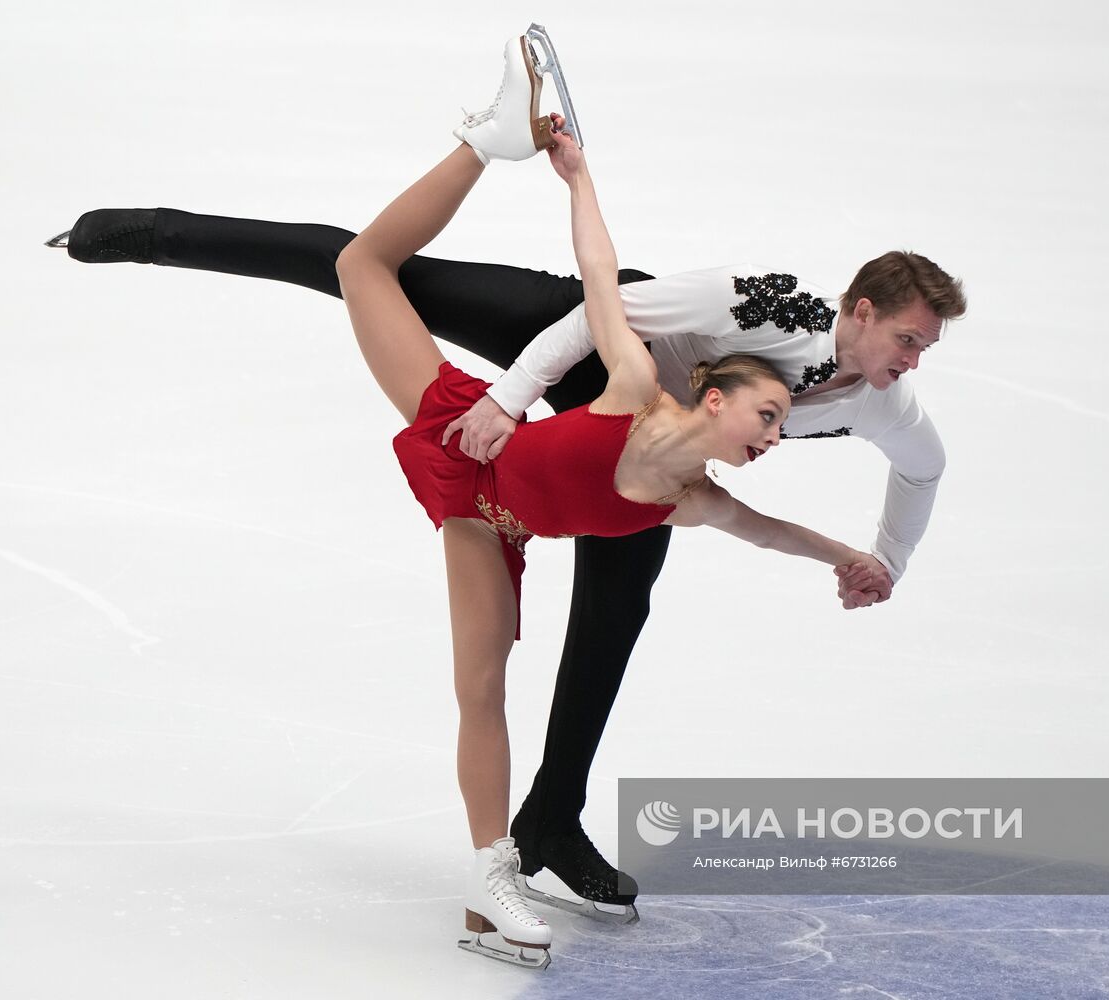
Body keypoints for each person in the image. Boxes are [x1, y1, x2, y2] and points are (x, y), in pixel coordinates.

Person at [47, 30, 965, 932]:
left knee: (615, 615)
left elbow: (921, 473)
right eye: (907, 340)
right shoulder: (759, 303)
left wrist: (878, 559)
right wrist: (506, 396)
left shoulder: (880, 405)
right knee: (389, 272)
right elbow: (608, 306)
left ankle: (548, 821)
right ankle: (146, 233)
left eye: (925, 349)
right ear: (861, 311)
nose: (912, 363)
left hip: (657, 448)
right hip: (599, 356)